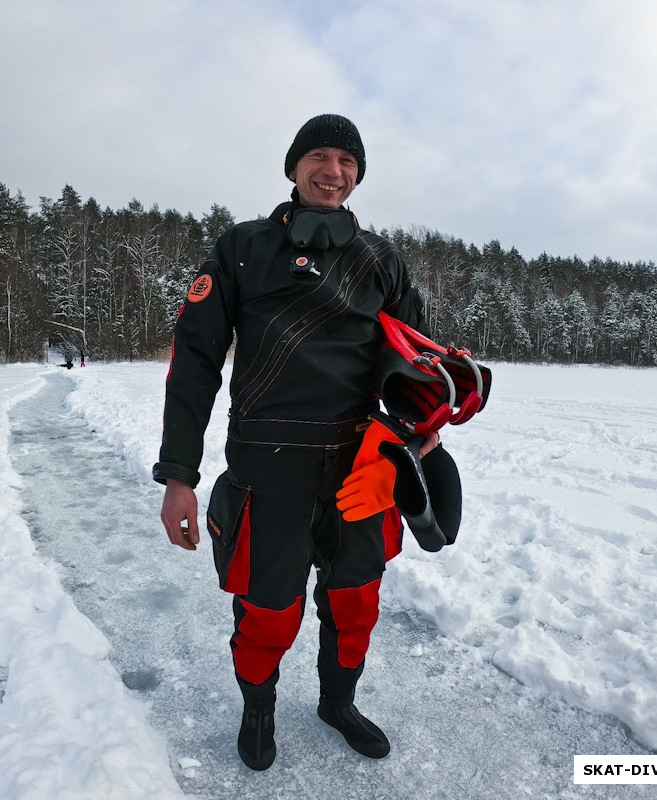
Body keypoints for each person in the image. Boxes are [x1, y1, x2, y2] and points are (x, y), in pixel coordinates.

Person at [154, 114, 441, 771]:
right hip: (265, 465)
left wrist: (417, 441)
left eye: (346, 160)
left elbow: (416, 370)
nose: (332, 170)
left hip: (357, 468)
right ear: (292, 167)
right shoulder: (242, 248)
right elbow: (195, 361)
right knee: (267, 611)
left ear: (358, 174)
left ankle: (337, 704)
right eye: (319, 155)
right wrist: (179, 475)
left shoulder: (381, 261)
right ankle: (258, 711)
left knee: (355, 601)